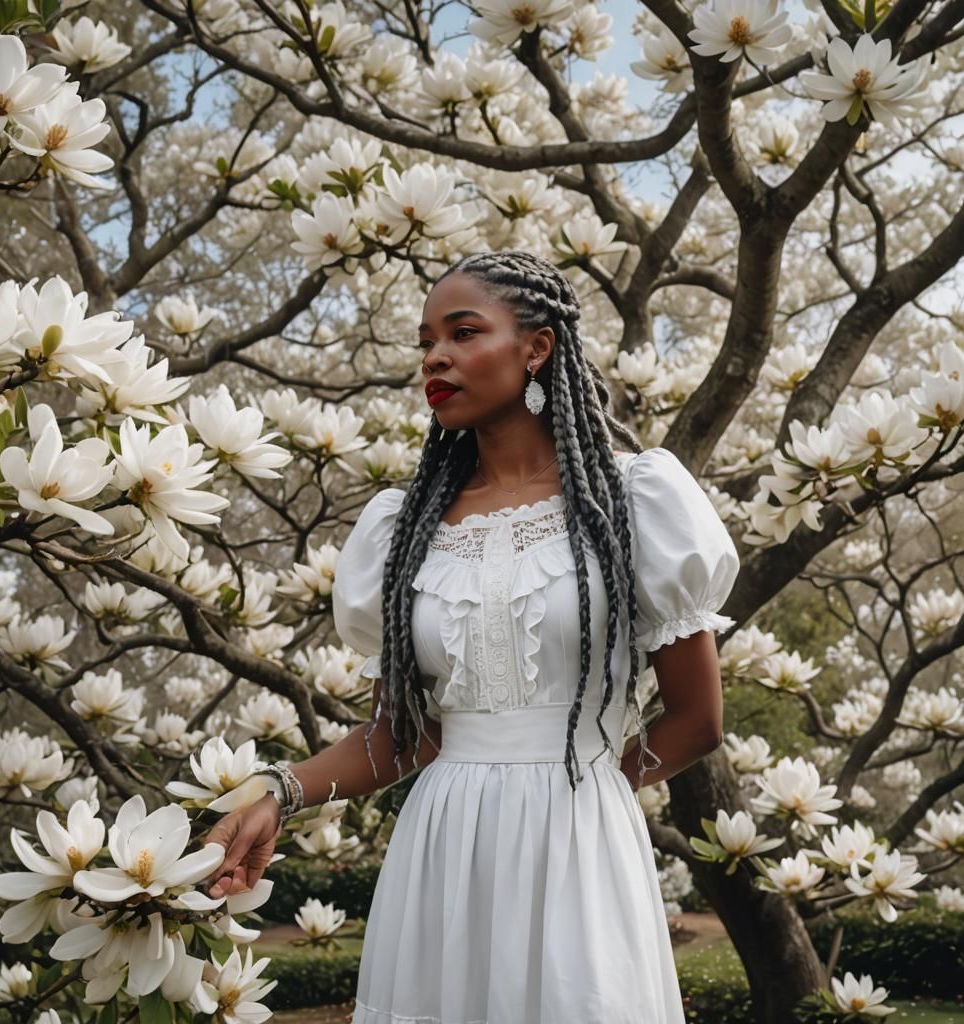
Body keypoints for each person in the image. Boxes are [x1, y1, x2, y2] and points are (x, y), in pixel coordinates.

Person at [203, 250, 740, 1023]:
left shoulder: (633, 502)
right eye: (426, 341)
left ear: (537, 347)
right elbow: (402, 738)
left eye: (462, 332)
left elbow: (698, 720)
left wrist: (587, 795)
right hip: (442, 849)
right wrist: (277, 795)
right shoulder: (404, 527)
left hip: (581, 848)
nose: (436, 357)